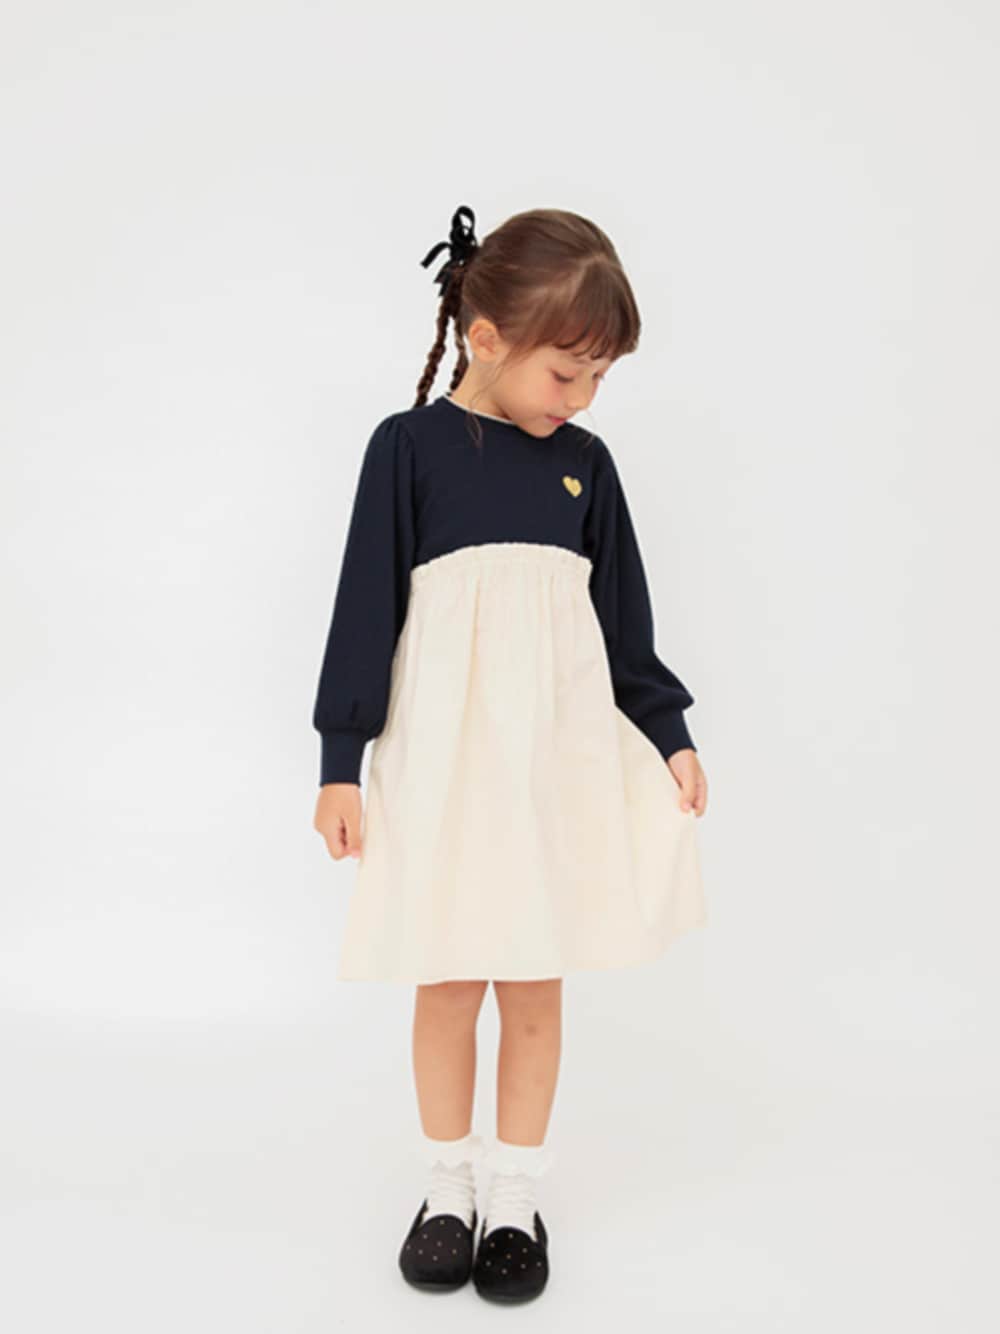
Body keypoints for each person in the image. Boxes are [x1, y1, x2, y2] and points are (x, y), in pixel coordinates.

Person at [311, 205, 709, 1303]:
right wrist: (341, 758)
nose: (582, 399)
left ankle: (516, 1196)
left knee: (534, 984)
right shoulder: (407, 450)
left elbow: (623, 625)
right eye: (567, 373)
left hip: (549, 773)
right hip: (441, 769)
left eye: (599, 379)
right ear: (485, 336)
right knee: (447, 980)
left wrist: (669, 734)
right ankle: (447, 1188)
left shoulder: (586, 467)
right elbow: (364, 611)